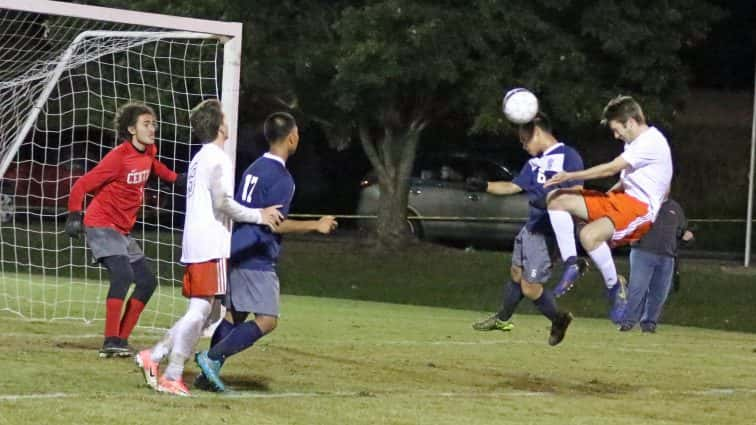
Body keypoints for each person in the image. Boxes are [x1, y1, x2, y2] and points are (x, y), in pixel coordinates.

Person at [134, 99, 283, 396]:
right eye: (225, 117)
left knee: (208, 314)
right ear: (219, 125)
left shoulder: (201, 157)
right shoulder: (217, 158)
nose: (229, 122)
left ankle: (157, 355)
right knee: (201, 312)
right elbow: (223, 203)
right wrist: (259, 215)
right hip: (209, 244)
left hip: (197, 242)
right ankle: (171, 372)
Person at [192, 112, 338, 392]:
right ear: (292, 137)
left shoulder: (254, 167)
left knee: (235, 316)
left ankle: (207, 374)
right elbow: (276, 225)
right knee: (267, 321)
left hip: (236, 248)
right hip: (257, 256)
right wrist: (316, 225)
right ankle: (211, 358)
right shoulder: (282, 178)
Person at [65, 102, 185, 358]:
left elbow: (154, 166)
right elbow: (82, 184)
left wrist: (177, 179)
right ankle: (110, 340)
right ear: (132, 129)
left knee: (147, 282)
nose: (152, 128)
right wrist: (74, 214)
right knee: (122, 275)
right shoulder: (118, 157)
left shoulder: (150, 150)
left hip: (122, 230)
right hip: (101, 224)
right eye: (146, 124)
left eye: (153, 123)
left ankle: (120, 339)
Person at [544, 95, 673, 323]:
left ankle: (616, 288)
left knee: (588, 235)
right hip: (620, 199)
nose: (615, 135)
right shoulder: (634, 143)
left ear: (631, 122)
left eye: (617, 129)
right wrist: (606, 199)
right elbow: (627, 180)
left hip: (638, 209)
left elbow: (610, 169)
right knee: (556, 198)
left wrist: (570, 175)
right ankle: (572, 262)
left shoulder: (651, 142)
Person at [470, 112, 584, 346]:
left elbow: (578, 191)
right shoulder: (534, 163)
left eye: (525, 140)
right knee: (516, 274)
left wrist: (552, 201)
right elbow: (513, 186)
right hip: (530, 228)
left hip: (548, 232)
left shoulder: (568, 156)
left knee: (531, 288)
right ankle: (502, 319)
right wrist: (485, 185)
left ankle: (559, 319)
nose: (523, 146)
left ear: (539, 132)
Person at [619, 198, 693, 332]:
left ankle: (649, 323)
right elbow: (627, 222)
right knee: (637, 288)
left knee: (659, 293)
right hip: (643, 252)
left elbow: (681, 230)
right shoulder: (644, 201)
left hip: (667, 256)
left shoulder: (675, 207)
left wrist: (686, 236)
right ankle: (627, 321)